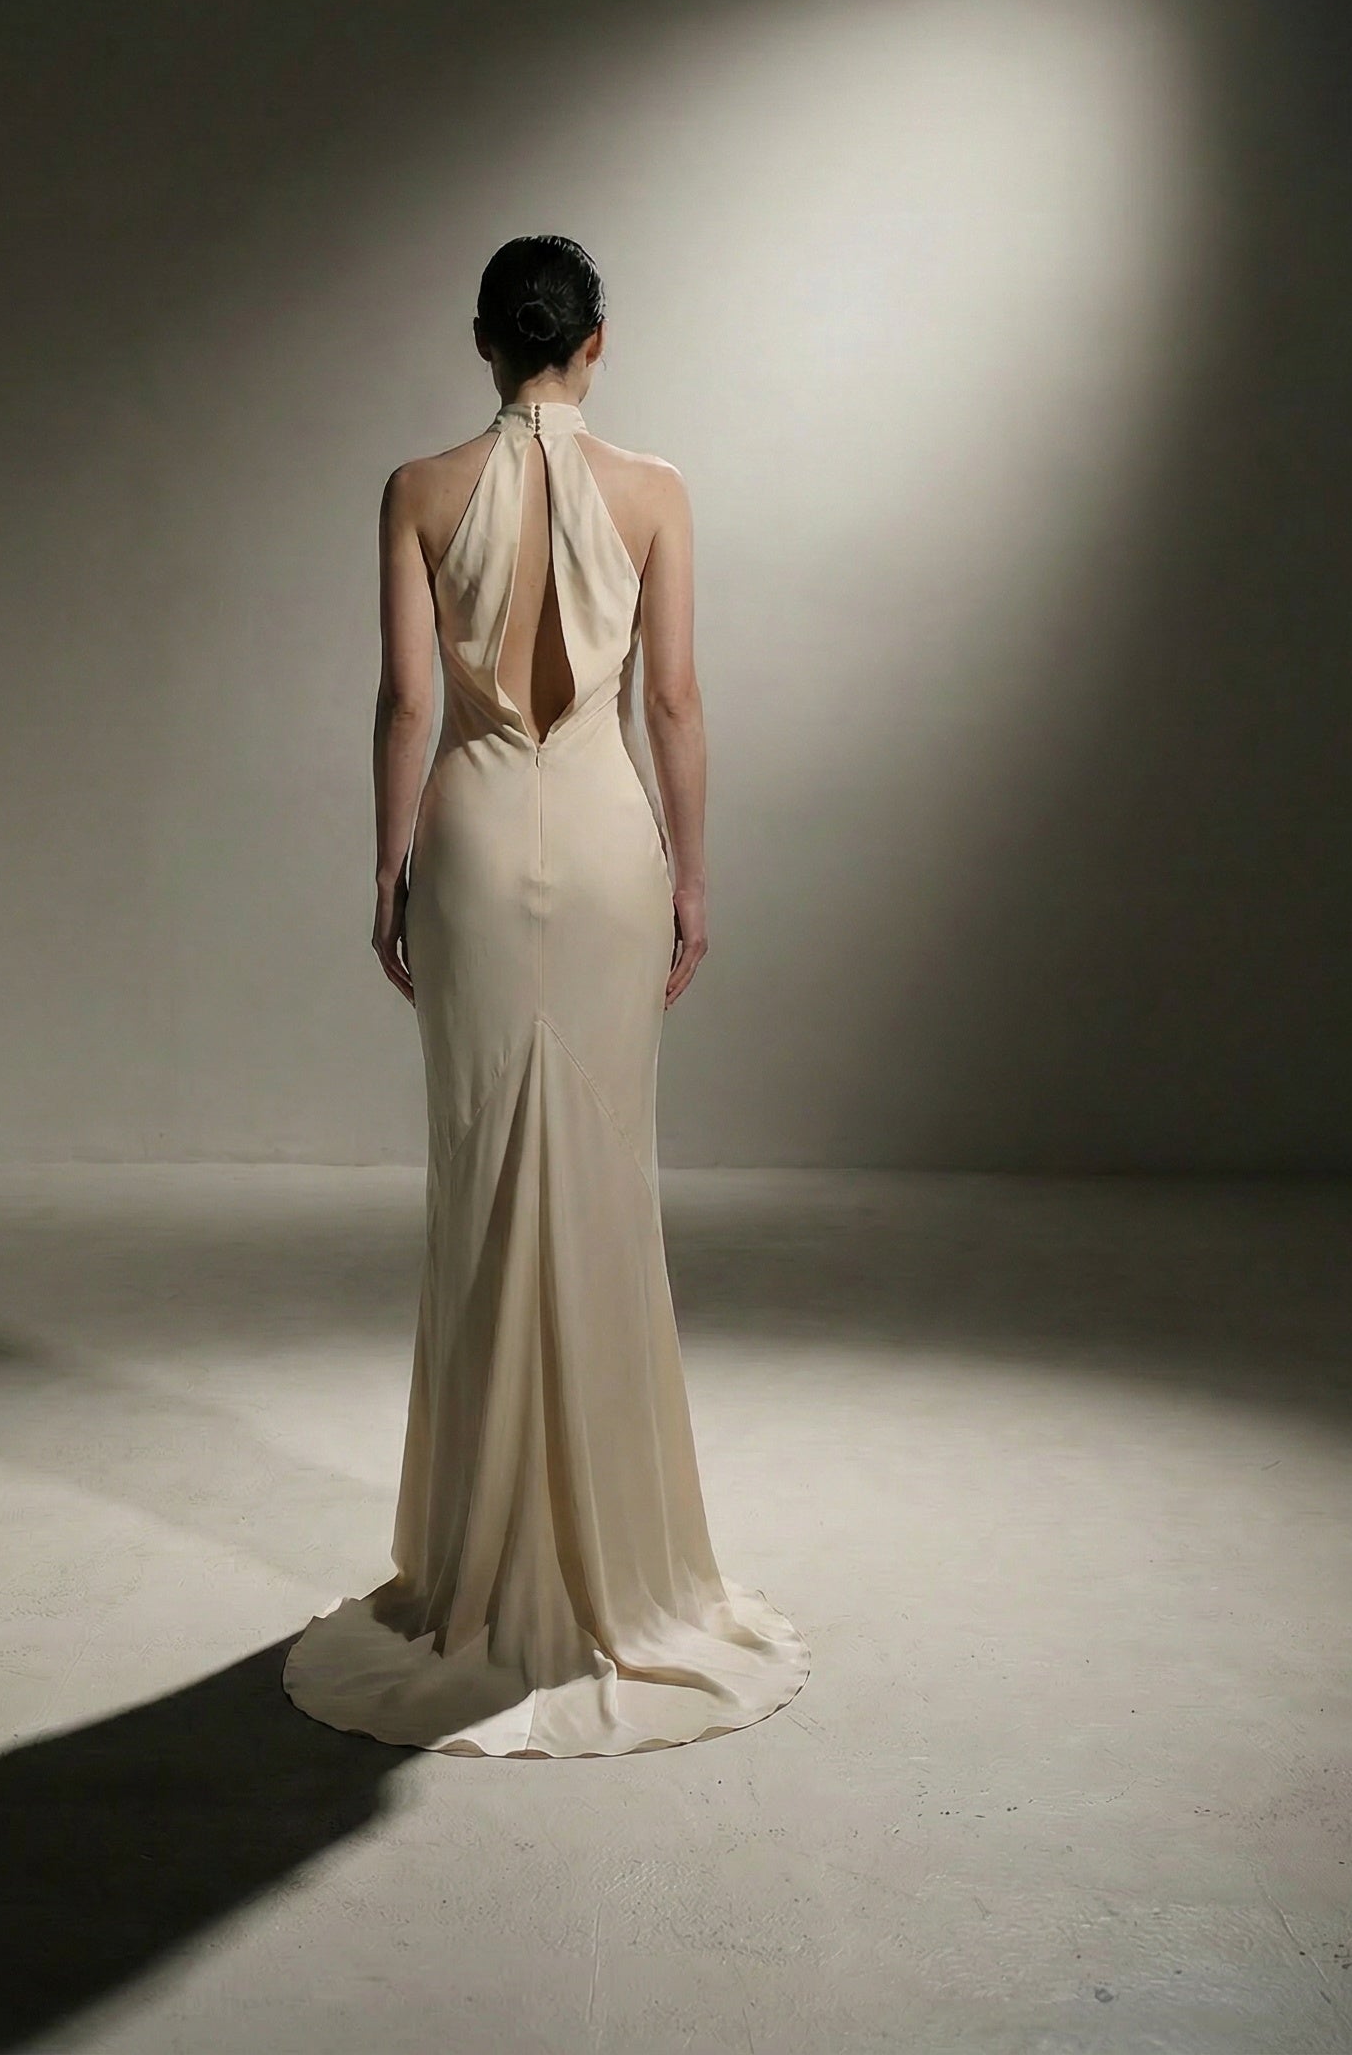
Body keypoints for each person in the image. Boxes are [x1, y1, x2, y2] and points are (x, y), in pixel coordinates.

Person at [281, 235, 810, 1757]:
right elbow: (676, 702)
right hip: (602, 843)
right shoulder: (656, 493)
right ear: (597, 343)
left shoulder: (417, 489)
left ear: (483, 344)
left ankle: (476, 1568)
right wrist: (693, 878)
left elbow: (404, 701)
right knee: (599, 1186)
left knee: (478, 1187)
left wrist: (386, 866)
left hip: (468, 830)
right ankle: (612, 1567)